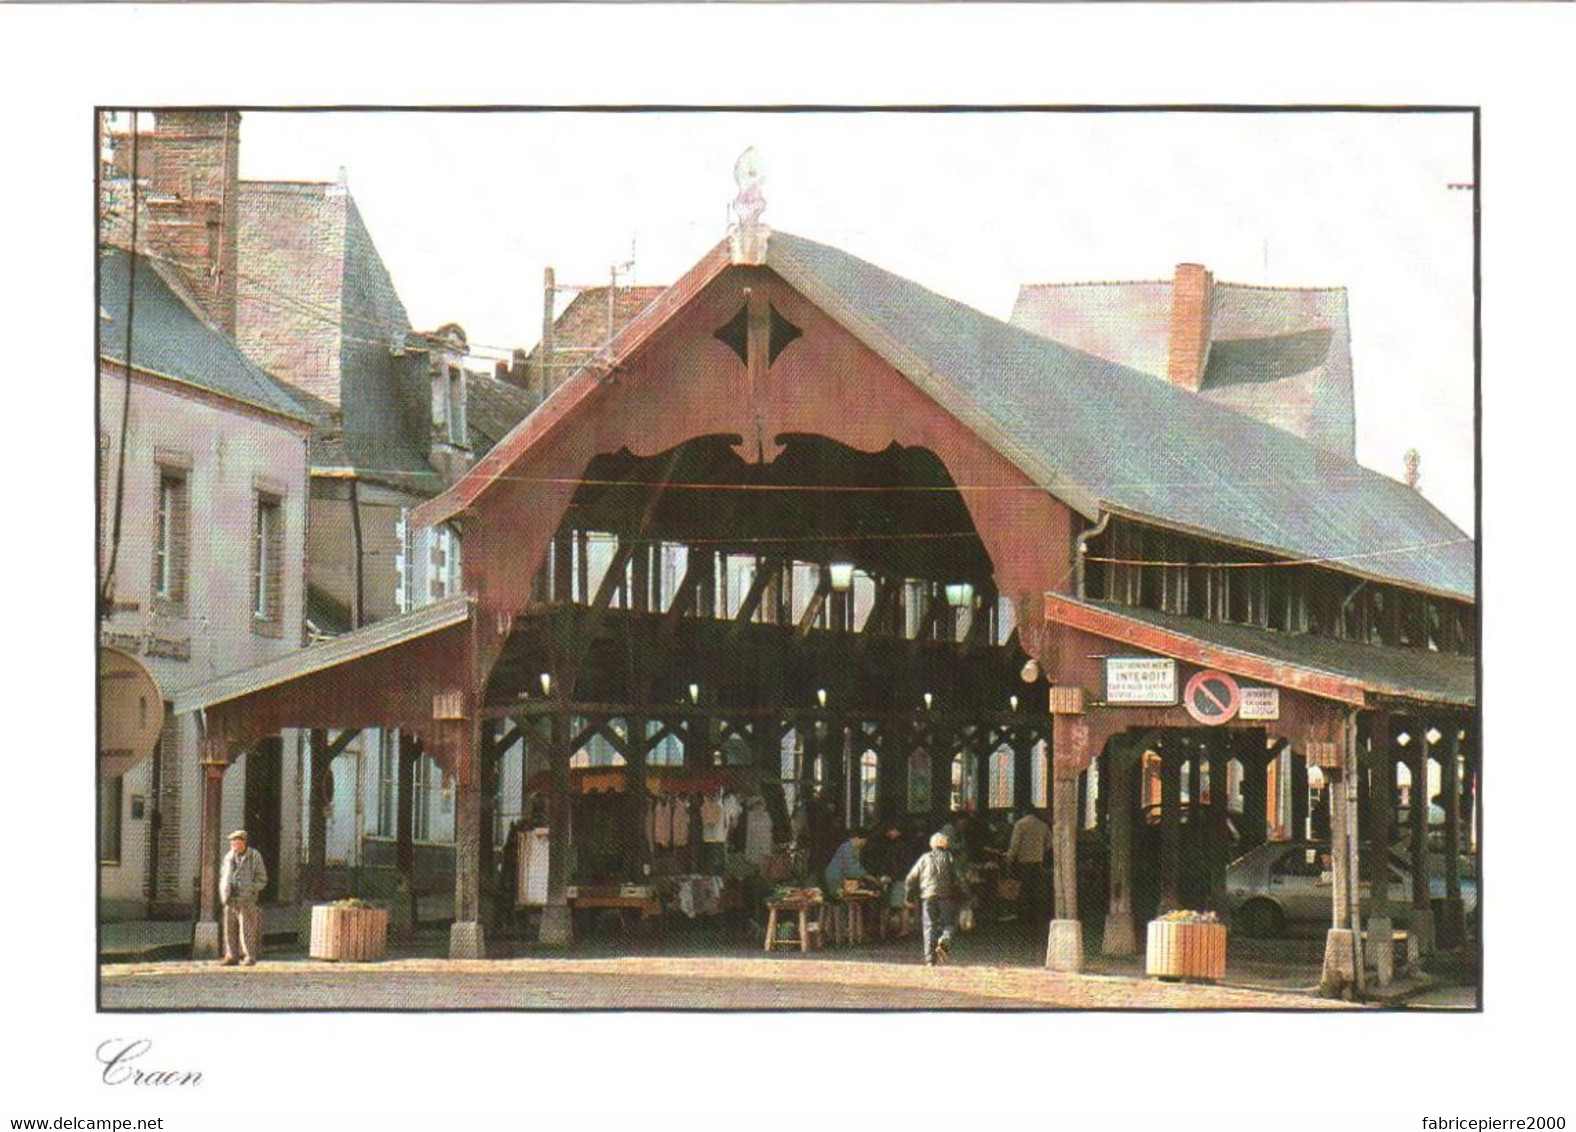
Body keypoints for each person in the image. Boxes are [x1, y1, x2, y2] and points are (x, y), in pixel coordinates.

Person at [904, 832, 971, 965]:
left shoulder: (924, 858)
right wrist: (966, 895)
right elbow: (960, 877)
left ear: (932, 844)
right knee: (948, 924)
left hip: (927, 896)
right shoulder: (950, 857)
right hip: (946, 895)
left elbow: (910, 878)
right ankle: (945, 940)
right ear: (945, 844)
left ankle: (930, 960)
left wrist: (909, 897)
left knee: (929, 926)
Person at [219, 829, 268, 966]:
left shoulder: (254, 856)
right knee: (229, 929)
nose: (234, 844)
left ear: (244, 842)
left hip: (247, 899)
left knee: (247, 929)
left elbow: (262, 878)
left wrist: (252, 889)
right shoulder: (229, 857)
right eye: (233, 842)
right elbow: (223, 875)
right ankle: (231, 956)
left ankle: (250, 956)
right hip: (231, 898)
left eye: (237, 841)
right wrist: (224, 892)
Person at [1004, 808, 1052, 929]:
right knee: (1036, 888)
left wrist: (1009, 859)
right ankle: (1035, 915)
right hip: (1038, 861)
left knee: (1023, 889)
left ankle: (1023, 917)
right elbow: (1050, 843)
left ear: (1024, 812)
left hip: (1023, 862)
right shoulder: (1043, 825)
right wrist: (1041, 851)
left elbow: (1015, 845)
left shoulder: (1020, 824)